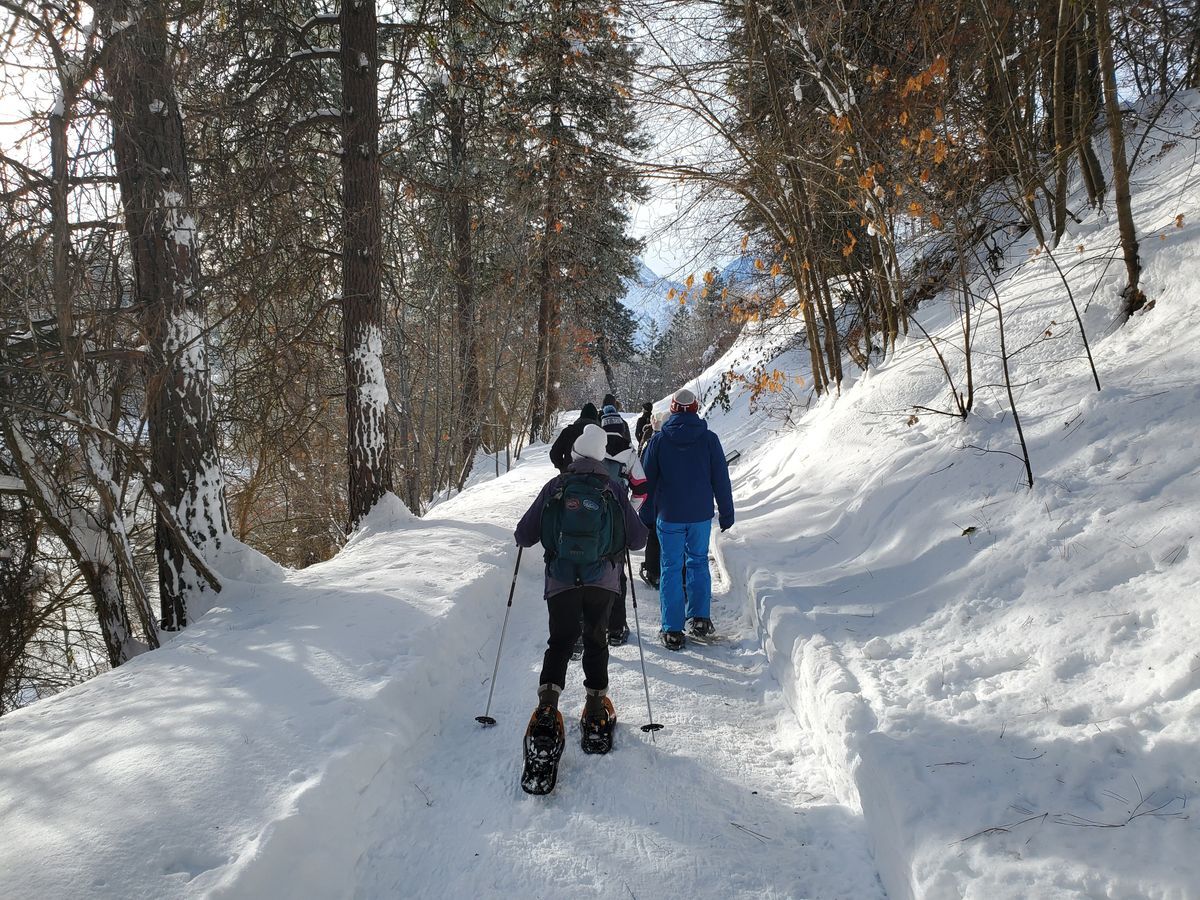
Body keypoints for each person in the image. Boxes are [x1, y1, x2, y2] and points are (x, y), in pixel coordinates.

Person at [515, 424, 648, 733]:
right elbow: (638, 539)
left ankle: (548, 704)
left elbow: (524, 534)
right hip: (602, 581)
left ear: (574, 454)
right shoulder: (612, 488)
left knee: (560, 641)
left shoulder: (556, 486)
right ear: (601, 458)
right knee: (595, 639)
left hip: (561, 579)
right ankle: (597, 705)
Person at [640, 388, 734, 650]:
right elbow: (721, 479)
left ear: (671, 409)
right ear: (695, 409)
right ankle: (700, 618)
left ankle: (672, 629)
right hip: (700, 515)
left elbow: (647, 481)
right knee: (698, 563)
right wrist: (726, 513)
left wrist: (646, 515)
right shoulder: (709, 440)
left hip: (669, 515)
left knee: (670, 568)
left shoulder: (658, 441)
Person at [599, 415, 648, 645]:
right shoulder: (628, 452)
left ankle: (585, 628)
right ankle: (616, 628)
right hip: (616, 520)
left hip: (589, 519)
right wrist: (630, 510)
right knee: (617, 573)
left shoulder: (592, 448)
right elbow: (642, 488)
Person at [637, 410, 667, 586]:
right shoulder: (665, 442)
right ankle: (657, 569)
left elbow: (644, 471)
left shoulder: (652, 443)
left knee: (654, 535)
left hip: (653, 498)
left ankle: (653, 569)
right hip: (665, 498)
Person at [549, 402, 601, 472]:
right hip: (596, 476)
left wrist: (563, 467)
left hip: (570, 475)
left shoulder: (568, 431)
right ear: (596, 417)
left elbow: (555, 453)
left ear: (581, 416)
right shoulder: (600, 434)